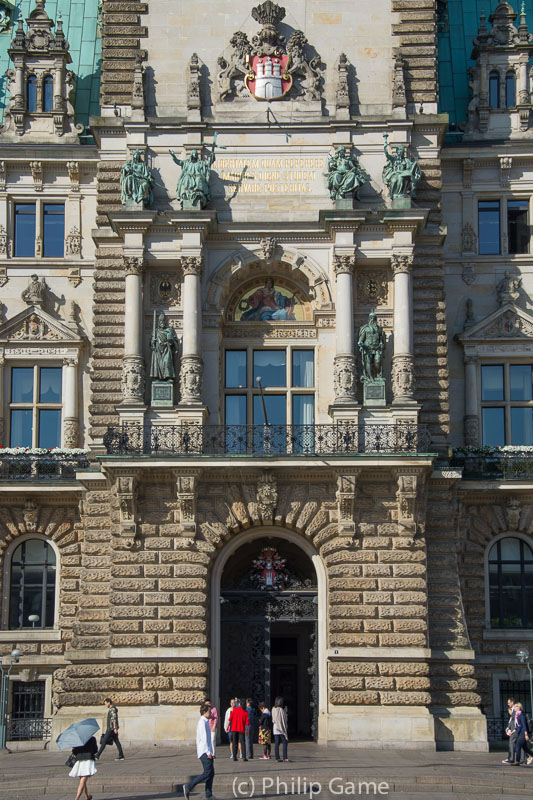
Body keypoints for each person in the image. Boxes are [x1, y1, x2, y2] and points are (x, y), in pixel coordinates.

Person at [183, 703, 214, 800]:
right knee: (207, 773)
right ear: (204, 712)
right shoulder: (202, 722)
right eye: (209, 711)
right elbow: (204, 739)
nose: (211, 713)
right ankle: (189, 786)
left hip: (206, 751)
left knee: (211, 773)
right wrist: (208, 752)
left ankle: (208, 795)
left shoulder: (204, 722)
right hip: (205, 752)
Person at [69, 734, 97, 800]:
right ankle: (76, 798)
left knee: (82, 780)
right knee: (83, 780)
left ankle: (86, 797)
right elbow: (95, 750)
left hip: (79, 760)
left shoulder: (78, 739)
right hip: (88, 760)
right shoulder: (92, 738)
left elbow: (74, 751)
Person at [228, 697, 249, 762]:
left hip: (234, 728)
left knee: (235, 742)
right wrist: (247, 730)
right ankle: (244, 757)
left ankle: (234, 756)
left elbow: (230, 719)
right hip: (241, 729)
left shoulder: (234, 710)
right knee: (242, 743)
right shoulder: (245, 712)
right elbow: (247, 722)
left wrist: (227, 726)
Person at [272, 696, 289, 762]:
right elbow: (284, 719)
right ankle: (285, 757)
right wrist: (286, 712)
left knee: (277, 743)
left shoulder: (273, 709)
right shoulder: (281, 710)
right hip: (281, 729)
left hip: (275, 728)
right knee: (285, 742)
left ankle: (277, 757)